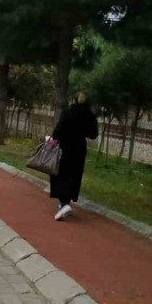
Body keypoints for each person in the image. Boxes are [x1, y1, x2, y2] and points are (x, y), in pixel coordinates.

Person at [49, 92, 98, 221]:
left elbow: (58, 130)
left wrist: (52, 140)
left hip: (65, 148)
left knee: (59, 175)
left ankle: (64, 204)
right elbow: (94, 134)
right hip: (80, 149)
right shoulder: (90, 115)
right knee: (74, 176)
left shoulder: (67, 112)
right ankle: (65, 204)